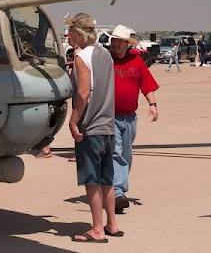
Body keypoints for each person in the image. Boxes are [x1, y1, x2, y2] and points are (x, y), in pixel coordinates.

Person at [65, 13, 119, 243]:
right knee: (107, 178)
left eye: (71, 32)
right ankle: (111, 224)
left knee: (91, 179)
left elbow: (83, 93)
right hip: (108, 125)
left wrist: (74, 120)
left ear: (79, 33)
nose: (69, 36)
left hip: (92, 125)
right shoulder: (105, 54)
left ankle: (97, 229)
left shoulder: (81, 57)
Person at [108, 25, 159, 213]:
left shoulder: (136, 61)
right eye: (113, 41)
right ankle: (118, 193)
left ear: (126, 44)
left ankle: (116, 189)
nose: (115, 45)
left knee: (126, 155)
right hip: (110, 117)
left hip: (129, 118)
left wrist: (153, 105)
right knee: (116, 152)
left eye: (119, 42)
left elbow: (146, 85)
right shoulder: (105, 61)